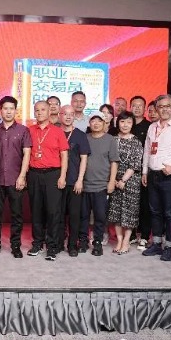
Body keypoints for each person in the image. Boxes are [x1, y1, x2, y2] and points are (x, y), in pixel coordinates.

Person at [141, 94, 171, 262]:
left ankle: (168, 246)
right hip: (152, 174)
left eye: (168, 106)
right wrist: (145, 171)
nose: (164, 109)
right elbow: (147, 150)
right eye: (161, 106)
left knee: (169, 213)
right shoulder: (152, 127)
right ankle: (156, 244)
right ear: (156, 109)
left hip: (168, 175)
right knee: (154, 211)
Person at [0, 96, 31, 258]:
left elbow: (27, 154)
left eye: (11, 108)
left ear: (15, 111)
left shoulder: (23, 130)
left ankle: (15, 246)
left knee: (17, 215)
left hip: (15, 178)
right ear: (1, 110)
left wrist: (22, 176)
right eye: (5, 108)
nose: (8, 111)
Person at [27, 100, 68, 261]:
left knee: (53, 211)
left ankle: (52, 246)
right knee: (36, 210)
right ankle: (37, 243)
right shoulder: (29, 130)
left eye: (43, 110)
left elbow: (64, 155)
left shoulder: (58, 131)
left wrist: (62, 176)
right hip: (34, 174)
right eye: (37, 110)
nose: (39, 113)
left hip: (53, 174)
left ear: (49, 111)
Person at [80, 111, 119, 256]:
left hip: (102, 185)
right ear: (89, 123)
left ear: (104, 123)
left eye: (99, 121)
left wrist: (111, 182)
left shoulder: (110, 139)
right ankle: (83, 241)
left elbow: (114, 162)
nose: (96, 123)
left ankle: (97, 242)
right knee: (83, 216)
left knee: (100, 216)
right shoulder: (85, 138)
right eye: (93, 121)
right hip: (84, 185)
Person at [107, 111, 143, 255]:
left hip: (131, 181)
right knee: (116, 212)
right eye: (122, 122)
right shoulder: (112, 140)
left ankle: (127, 241)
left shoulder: (136, 141)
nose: (125, 125)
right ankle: (119, 240)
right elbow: (108, 160)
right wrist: (114, 179)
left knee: (129, 212)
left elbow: (135, 164)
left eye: (128, 122)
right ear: (118, 123)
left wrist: (123, 180)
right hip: (114, 179)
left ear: (132, 124)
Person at [58, 105, 90, 257]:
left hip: (74, 181)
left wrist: (80, 180)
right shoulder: (54, 132)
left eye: (71, 114)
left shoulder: (80, 135)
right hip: (57, 180)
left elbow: (84, 159)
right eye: (65, 114)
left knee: (74, 215)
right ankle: (58, 243)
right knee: (57, 214)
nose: (68, 116)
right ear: (60, 115)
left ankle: (72, 245)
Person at [130, 95, 151, 248]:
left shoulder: (150, 126)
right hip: (127, 172)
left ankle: (144, 235)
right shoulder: (126, 124)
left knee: (145, 204)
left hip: (144, 172)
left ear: (145, 108)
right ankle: (131, 234)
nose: (137, 108)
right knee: (131, 204)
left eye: (140, 106)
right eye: (134, 105)